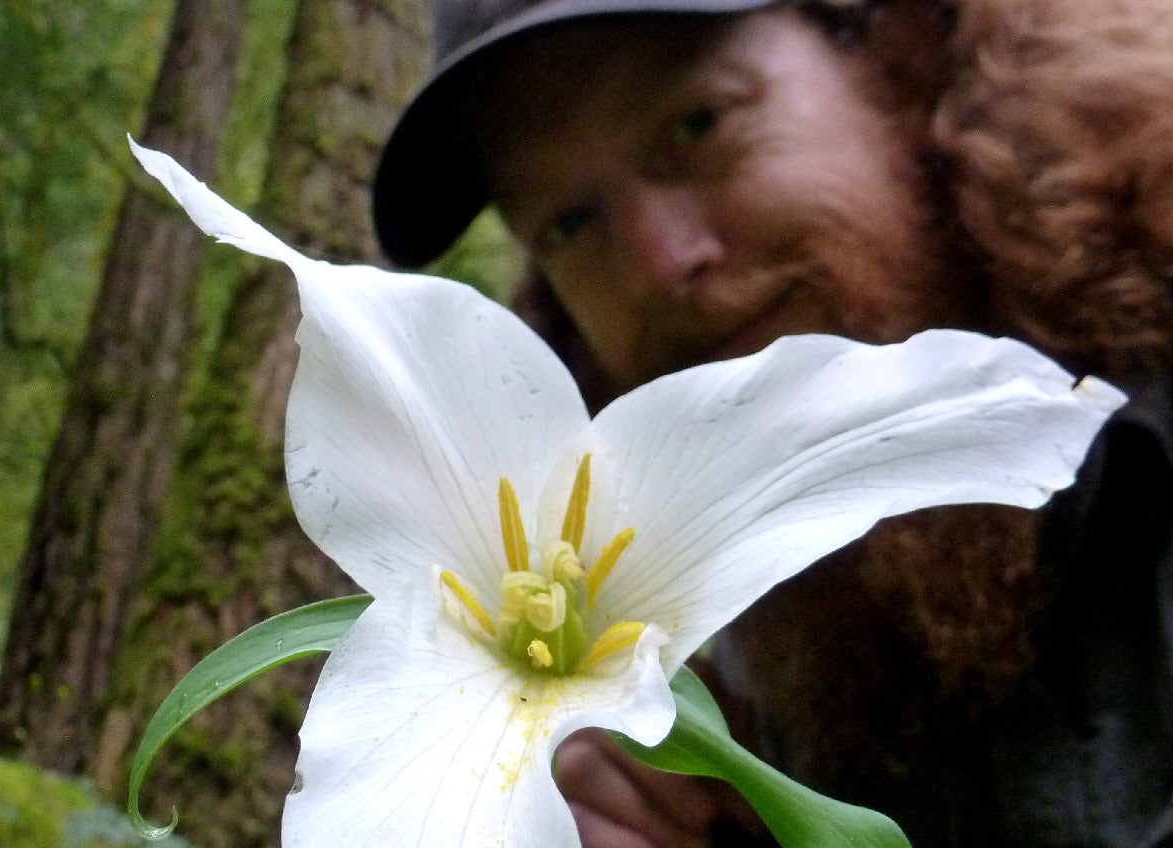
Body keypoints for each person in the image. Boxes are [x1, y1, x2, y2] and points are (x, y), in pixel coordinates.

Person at [371, 0, 1173, 846]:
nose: (661, 264)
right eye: (570, 223)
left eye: (697, 124)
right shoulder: (741, 650)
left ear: (889, 58)